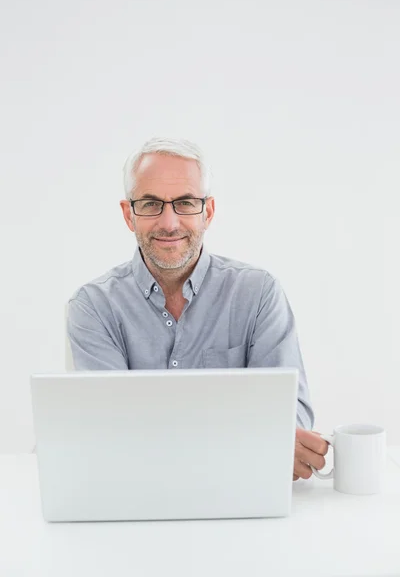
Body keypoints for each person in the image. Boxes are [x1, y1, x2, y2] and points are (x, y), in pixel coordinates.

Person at [67, 136, 328, 481]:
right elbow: (106, 431)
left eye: (186, 203)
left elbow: (290, 420)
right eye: (150, 204)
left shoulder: (258, 294)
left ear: (209, 211)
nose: (170, 222)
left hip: (241, 496)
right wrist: (250, 440)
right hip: (136, 499)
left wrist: (163, 440)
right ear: (129, 215)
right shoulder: (94, 307)